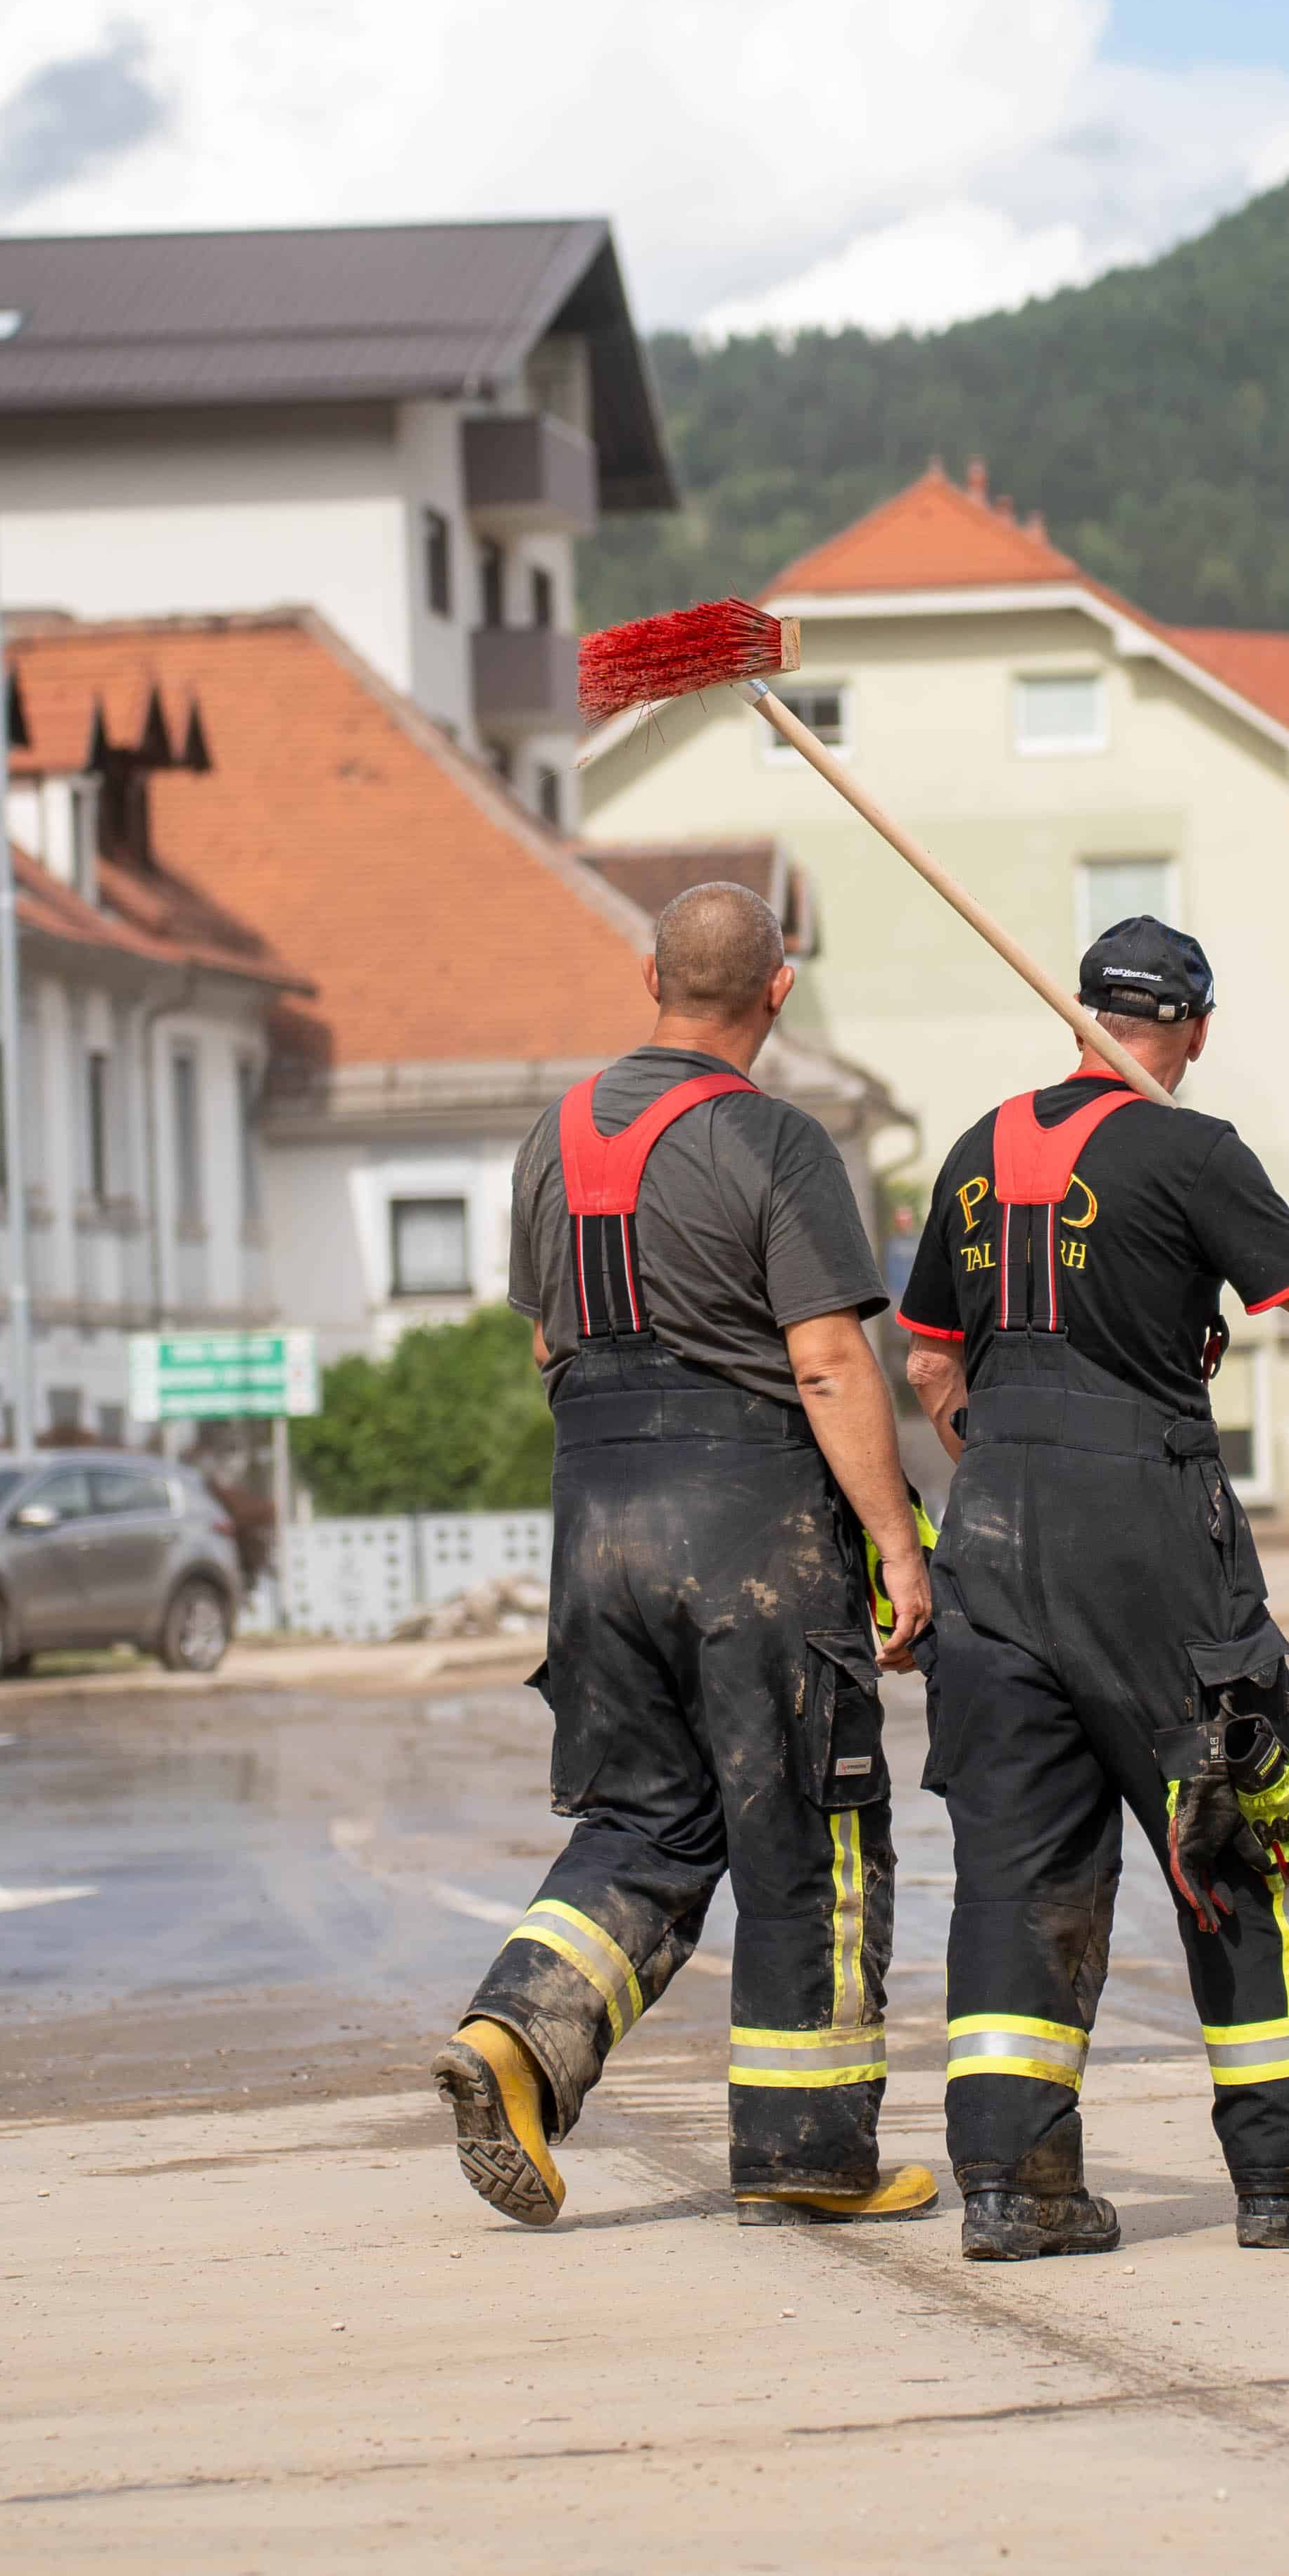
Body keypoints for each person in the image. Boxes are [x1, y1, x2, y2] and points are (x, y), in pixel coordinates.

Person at [900, 916, 1289, 2261]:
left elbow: (925, 1367)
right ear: (1189, 1027)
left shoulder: (971, 1153)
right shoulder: (1189, 1149)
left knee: (1018, 1869)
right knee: (1245, 1823)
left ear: (1074, 1017)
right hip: (1147, 1528)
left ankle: (1018, 2188)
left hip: (991, 1533)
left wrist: (1007, 1469)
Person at [436, 885, 942, 2228]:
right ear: (777, 993)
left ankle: (516, 2034)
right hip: (750, 1528)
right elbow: (827, 1358)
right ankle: (809, 2147)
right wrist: (897, 1542)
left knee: (646, 1817)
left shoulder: (550, 1140)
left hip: (595, 1528)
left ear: (646, 975)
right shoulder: (776, 1141)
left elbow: (548, 1343)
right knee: (809, 1827)